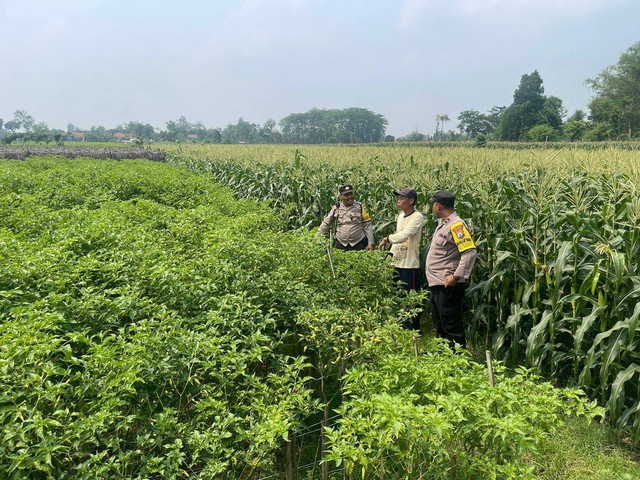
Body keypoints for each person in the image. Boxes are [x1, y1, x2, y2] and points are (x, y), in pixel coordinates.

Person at [425, 190, 477, 349]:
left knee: (451, 326)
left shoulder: (456, 225)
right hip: (437, 283)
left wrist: (456, 277)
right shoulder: (444, 223)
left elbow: (469, 252)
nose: (433, 206)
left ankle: (458, 361)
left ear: (438, 206)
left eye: (434, 203)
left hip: (447, 284)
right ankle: (443, 359)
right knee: (440, 325)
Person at [378, 187, 424, 331]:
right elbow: (399, 238)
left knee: (410, 297)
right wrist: (390, 256)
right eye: (398, 198)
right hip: (398, 263)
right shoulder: (400, 216)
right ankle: (402, 324)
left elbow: (405, 235)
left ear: (411, 201)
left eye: (402, 198)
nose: (398, 201)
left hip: (410, 264)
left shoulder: (417, 217)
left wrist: (387, 238)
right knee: (398, 294)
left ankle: (412, 327)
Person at [318, 184, 375, 251]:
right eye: (346, 195)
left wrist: (371, 243)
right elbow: (326, 223)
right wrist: (317, 237)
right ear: (341, 196)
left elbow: (367, 225)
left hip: (358, 243)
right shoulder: (336, 208)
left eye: (351, 194)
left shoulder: (360, 207)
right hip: (341, 243)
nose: (349, 197)